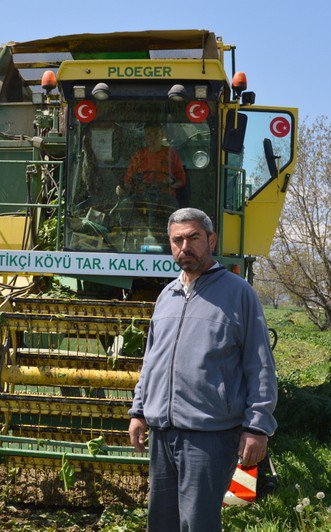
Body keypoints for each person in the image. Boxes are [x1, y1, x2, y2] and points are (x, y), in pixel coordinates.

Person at [127, 207, 277, 531]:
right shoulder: (166, 296)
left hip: (209, 435)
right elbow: (151, 359)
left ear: (211, 239)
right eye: (177, 240)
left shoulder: (239, 294)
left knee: (198, 523)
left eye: (194, 237)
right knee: (161, 522)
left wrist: (258, 427)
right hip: (162, 432)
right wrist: (139, 411)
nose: (185, 246)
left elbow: (260, 364)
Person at [117, 125, 187, 206]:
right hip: (141, 197)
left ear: (162, 136)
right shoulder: (138, 156)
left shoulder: (171, 154)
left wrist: (170, 183)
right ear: (145, 137)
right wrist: (122, 189)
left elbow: (181, 180)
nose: (152, 138)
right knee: (124, 205)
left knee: (174, 208)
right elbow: (127, 181)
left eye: (156, 134)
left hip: (165, 197)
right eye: (149, 135)